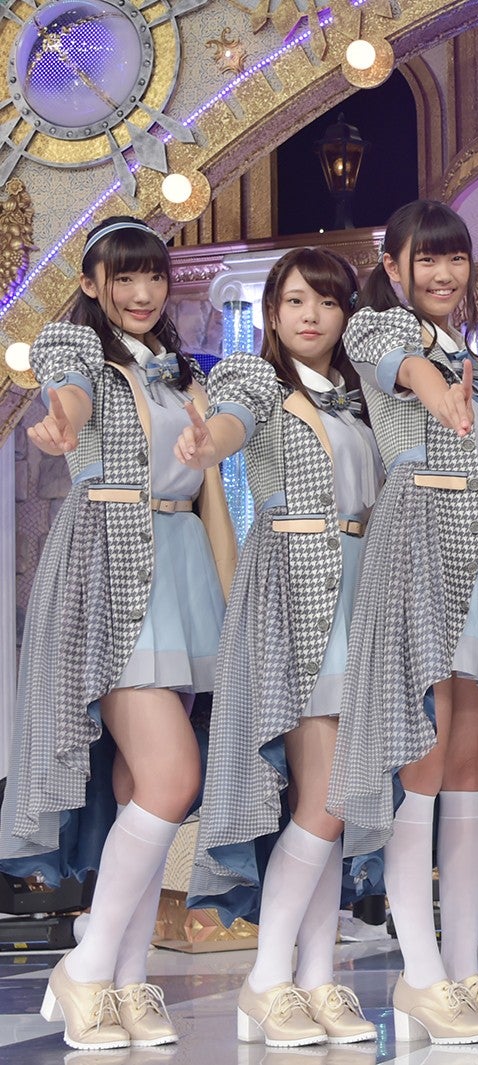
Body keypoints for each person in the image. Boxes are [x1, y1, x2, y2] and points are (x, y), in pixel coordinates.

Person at [0, 216, 234, 1050]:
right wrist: (62, 419)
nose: (141, 292)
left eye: (153, 276)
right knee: (174, 775)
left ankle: (128, 983)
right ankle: (89, 962)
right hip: (114, 562)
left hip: (183, 566)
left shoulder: (178, 372)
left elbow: (210, 477)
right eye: (123, 277)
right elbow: (65, 389)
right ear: (93, 283)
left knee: (143, 787)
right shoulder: (79, 349)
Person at [327, 200, 478, 1045]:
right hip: (419, 533)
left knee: (473, 763)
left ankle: (467, 963)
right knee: (426, 753)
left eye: (455, 259)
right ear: (394, 267)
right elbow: (404, 364)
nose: (443, 274)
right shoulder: (376, 329)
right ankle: (420, 971)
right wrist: (438, 389)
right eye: (426, 259)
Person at [181, 248, 381, 1047]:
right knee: (326, 796)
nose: (310, 315)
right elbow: (231, 415)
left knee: (332, 801)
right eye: (295, 300)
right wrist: (210, 443)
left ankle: (318, 978)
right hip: (295, 590)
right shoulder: (260, 380)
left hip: (359, 590)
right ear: (271, 311)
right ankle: (268, 976)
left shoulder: (358, 401)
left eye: (326, 302)